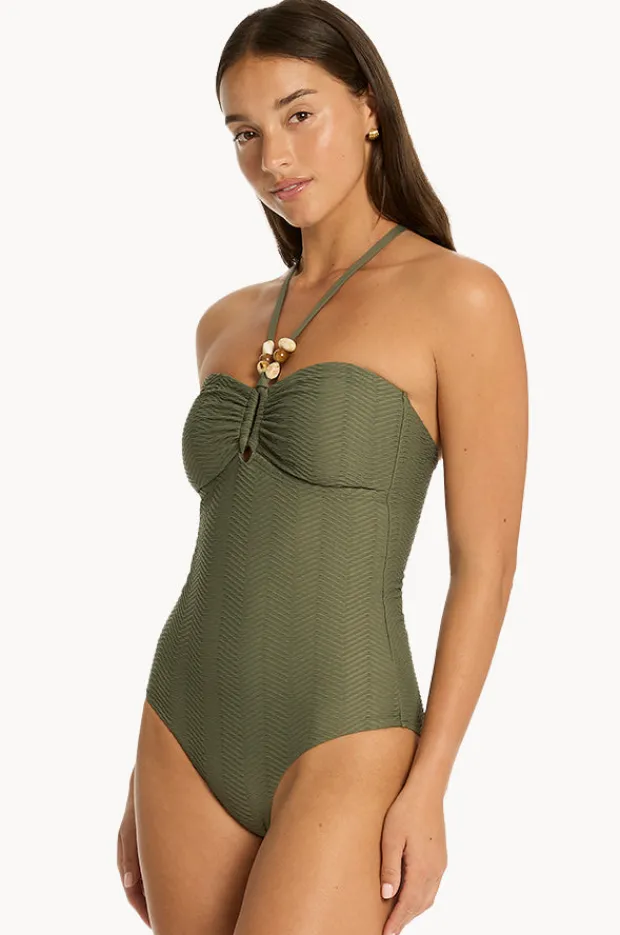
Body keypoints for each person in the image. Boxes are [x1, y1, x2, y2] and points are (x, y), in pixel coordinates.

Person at [117, 1, 528, 932]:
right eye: (245, 133)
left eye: (300, 114)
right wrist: (135, 780)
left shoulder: (459, 298)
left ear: (369, 106)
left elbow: (486, 564)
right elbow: (227, 544)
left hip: (347, 726)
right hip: (180, 720)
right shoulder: (224, 323)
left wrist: (430, 781)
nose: (274, 158)